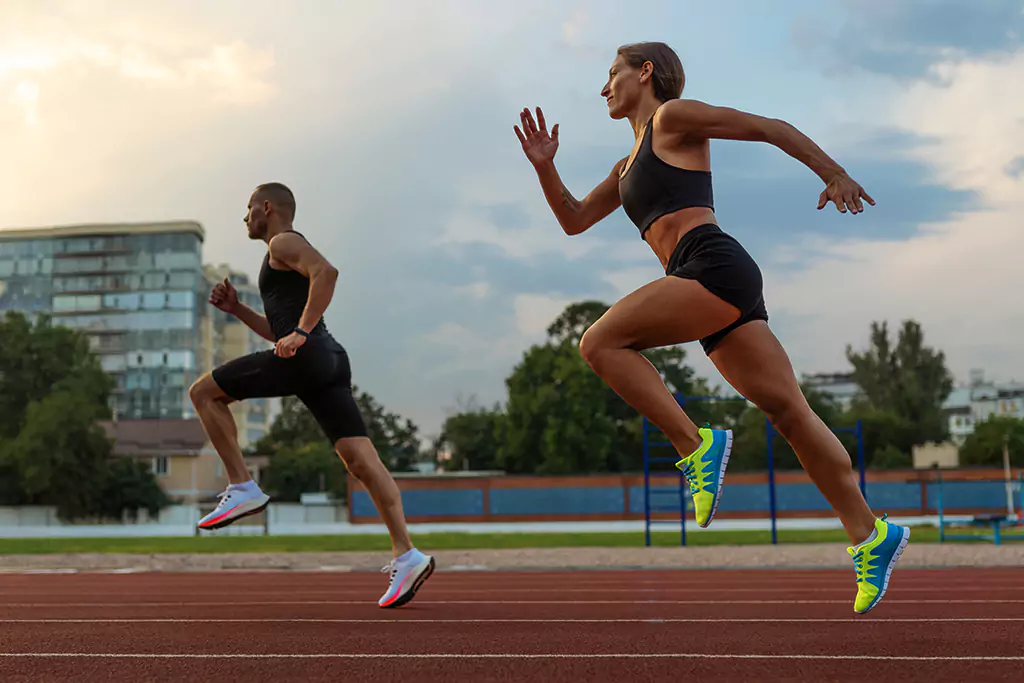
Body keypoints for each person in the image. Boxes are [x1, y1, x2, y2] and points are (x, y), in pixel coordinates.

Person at [514, 42, 908, 614]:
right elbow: (574, 220)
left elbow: (769, 127)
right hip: (707, 283)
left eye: (613, 73)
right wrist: (546, 168)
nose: (605, 87)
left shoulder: (673, 119)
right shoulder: (625, 167)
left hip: (710, 263)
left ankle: (694, 444)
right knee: (789, 412)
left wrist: (835, 173)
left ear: (645, 73)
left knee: (598, 342)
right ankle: (870, 533)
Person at [188, 182, 435, 609]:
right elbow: (275, 330)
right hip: (328, 361)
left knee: (204, 393)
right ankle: (407, 553)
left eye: (248, 209)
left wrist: (301, 333)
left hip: (308, 354)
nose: (245, 218)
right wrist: (238, 311)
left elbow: (327, 272)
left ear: (267, 207)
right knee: (361, 461)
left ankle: (242, 485)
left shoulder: (282, 241)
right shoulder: (279, 255)